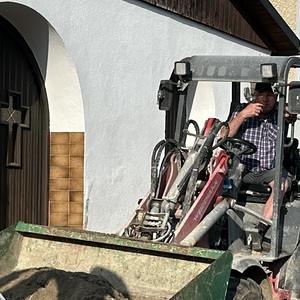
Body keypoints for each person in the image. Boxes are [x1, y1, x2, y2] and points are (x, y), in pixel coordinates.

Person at [222, 82, 296, 237]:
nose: (265, 99)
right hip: (243, 167)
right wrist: (242, 115)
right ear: (255, 96)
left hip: (270, 169)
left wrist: (289, 112)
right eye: (261, 95)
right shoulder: (241, 110)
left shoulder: (280, 112)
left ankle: (260, 230)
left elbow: (291, 114)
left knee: (281, 185)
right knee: (222, 182)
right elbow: (223, 135)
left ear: (276, 97)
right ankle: (222, 225)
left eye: (270, 95)